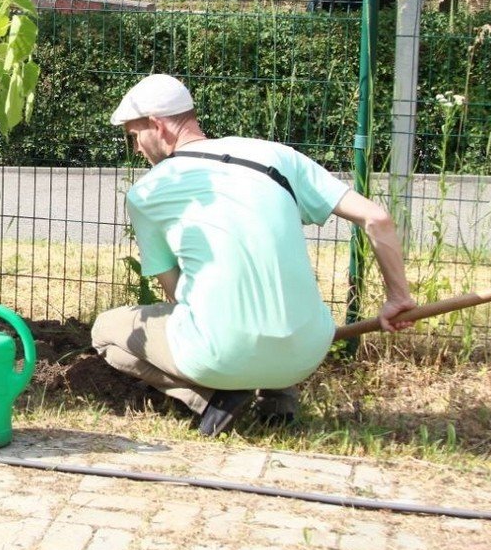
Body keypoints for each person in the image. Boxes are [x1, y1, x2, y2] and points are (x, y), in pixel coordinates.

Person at [94, 74, 416, 436]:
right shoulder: (274, 155)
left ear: (158, 125)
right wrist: (398, 298)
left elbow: (176, 292)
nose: (136, 147)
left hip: (219, 353)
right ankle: (278, 399)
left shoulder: (148, 191)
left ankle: (212, 396)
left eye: (135, 136)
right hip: (306, 353)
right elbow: (377, 218)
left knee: (105, 332)